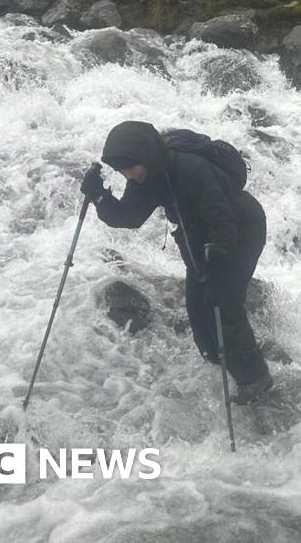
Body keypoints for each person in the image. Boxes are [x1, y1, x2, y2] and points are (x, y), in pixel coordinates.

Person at [79, 120, 274, 404]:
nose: (129, 175)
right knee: (198, 308)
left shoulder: (191, 168)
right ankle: (219, 358)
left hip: (240, 230)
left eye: (131, 168)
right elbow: (130, 217)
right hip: (199, 243)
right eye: (123, 171)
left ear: (145, 156)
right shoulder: (146, 175)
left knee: (222, 301)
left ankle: (256, 378)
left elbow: (222, 216)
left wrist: (219, 251)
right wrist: (99, 195)